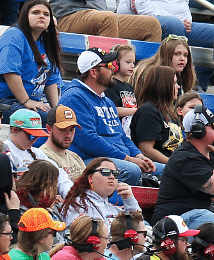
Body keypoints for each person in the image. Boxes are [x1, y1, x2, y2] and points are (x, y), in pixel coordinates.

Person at [59, 50, 158, 184]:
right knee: (132, 170)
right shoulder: (74, 97)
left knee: (166, 170)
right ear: (94, 72)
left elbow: (122, 136)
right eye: (110, 66)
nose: (114, 70)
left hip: (119, 159)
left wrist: (139, 155)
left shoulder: (107, 101)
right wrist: (128, 159)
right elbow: (89, 140)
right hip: (90, 160)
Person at [0, 0, 63, 117]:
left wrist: (57, 111)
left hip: (24, 101)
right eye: (36, 13)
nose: (41, 16)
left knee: (61, 119)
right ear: (25, 16)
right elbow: (10, 73)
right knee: (44, 117)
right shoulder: (14, 36)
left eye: (46, 14)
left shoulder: (47, 43)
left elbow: (51, 81)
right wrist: (27, 101)